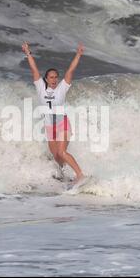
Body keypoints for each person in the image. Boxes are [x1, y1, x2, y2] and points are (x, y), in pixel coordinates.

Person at [22, 41, 86, 185]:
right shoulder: (40, 87)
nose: (54, 79)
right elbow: (34, 70)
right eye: (51, 77)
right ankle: (65, 178)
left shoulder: (62, 88)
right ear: (45, 79)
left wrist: (78, 54)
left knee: (62, 152)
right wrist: (28, 53)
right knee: (57, 156)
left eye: (56, 77)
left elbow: (70, 71)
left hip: (62, 123)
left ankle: (80, 175)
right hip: (50, 127)